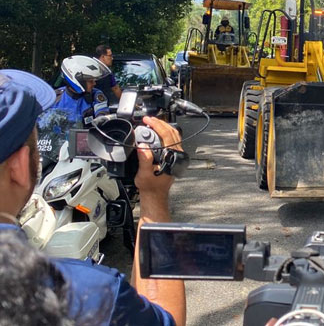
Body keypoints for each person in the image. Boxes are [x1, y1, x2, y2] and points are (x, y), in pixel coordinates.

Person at [0, 68, 186, 325]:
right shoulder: (90, 294)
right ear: (19, 168)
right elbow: (168, 317)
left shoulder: (95, 95)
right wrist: (154, 198)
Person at [53, 55, 110, 125]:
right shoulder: (55, 97)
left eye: (94, 80)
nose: (94, 83)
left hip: (89, 135)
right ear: (78, 80)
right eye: (90, 81)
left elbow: (102, 112)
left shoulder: (95, 95)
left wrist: (101, 119)